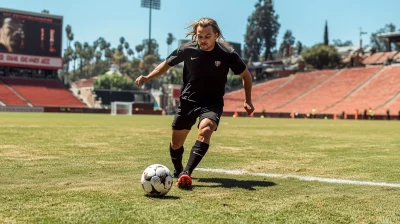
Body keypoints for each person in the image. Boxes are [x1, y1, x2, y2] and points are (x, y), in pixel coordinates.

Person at [135, 18, 254, 189]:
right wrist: (148, 77)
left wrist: (247, 100)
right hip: (188, 100)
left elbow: (246, 76)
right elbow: (166, 64)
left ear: (216, 35)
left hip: (211, 103)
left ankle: (186, 173)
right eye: (200, 36)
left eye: (207, 36)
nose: (203, 40)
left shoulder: (227, 54)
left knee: (206, 129)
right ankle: (178, 170)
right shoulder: (187, 48)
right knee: (176, 143)